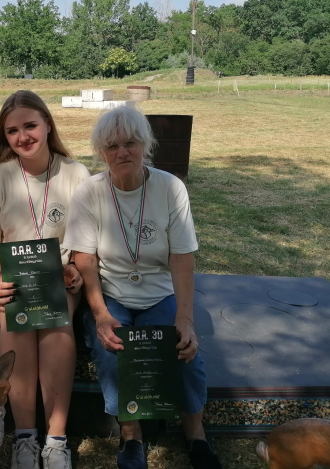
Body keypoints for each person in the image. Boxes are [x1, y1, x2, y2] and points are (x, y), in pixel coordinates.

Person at [62, 106, 223, 469]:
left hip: (160, 294)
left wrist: (185, 317)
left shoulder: (170, 188)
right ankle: (131, 435)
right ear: (100, 152)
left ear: (146, 145)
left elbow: (182, 259)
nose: (122, 152)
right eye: (112, 145)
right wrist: (100, 315)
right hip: (112, 295)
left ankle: (195, 433)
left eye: (131, 143)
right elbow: (84, 260)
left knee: (182, 348)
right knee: (110, 348)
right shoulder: (90, 192)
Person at [0, 90, 90, 469]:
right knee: (16, 324)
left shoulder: (75, 174)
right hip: (14, 280)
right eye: (12, 131)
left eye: (30, 125)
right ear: (3, 137)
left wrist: (76, 273)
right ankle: (25, 438)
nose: (23, 136)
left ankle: (56, 441)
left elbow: (85, 243)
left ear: (47, 124)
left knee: (57, 329)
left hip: (60, 279)